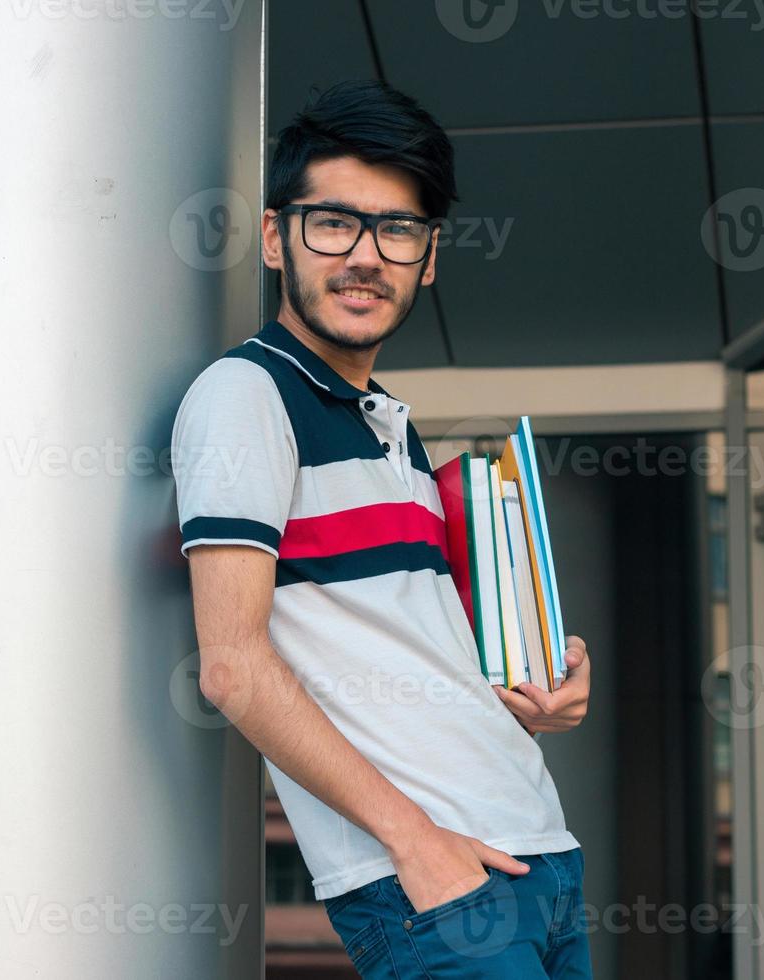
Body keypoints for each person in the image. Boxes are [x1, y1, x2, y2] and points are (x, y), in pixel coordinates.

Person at [170, 78, 593, 978]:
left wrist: (532, 694)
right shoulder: (248, 396)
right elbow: (232, 665)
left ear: (429, 257)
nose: (365, 255)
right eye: (334, 223)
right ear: (279, 237)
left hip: (537, 851)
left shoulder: (389, 423)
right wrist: (416, 843)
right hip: (435, 879)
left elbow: (400, 658)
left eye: (396, 230)